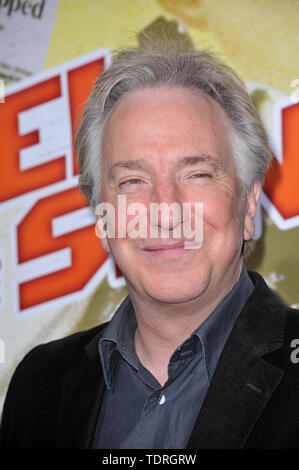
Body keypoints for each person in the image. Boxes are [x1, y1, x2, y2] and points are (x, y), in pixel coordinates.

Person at [0, 38, 298, 450]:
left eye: (198, 174)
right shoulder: (38, 386)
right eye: (132, 182)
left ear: (248, 204)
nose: (165, 210)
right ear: (102, 218)